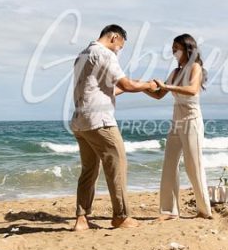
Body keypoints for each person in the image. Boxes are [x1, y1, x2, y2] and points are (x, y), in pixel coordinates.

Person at [70, 24, 159, 230]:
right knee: (117, 165)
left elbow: (101, 89)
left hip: (80, 121)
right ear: (114, 37)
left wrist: (134, 86)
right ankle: (121, 216)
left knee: (89, 170)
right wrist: (148, 85)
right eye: (120, 46)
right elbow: (126, 84)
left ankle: (81, 218)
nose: (119, 51)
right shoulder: (105, 54)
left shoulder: (82, 55)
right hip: (100, 120)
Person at [145, 34, 212, 220]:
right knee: (169, 164)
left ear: (187, 49)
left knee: (193, 166)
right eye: (173, 48)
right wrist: (141, 87)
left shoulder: (195, 67)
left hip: (192, 121)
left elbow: (192, 90)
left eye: (177, 48)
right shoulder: (175, 72)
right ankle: (170, 211)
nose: (173, 51)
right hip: (176, 122)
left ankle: (204, 210)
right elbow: (159, 94)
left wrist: (166, 86)